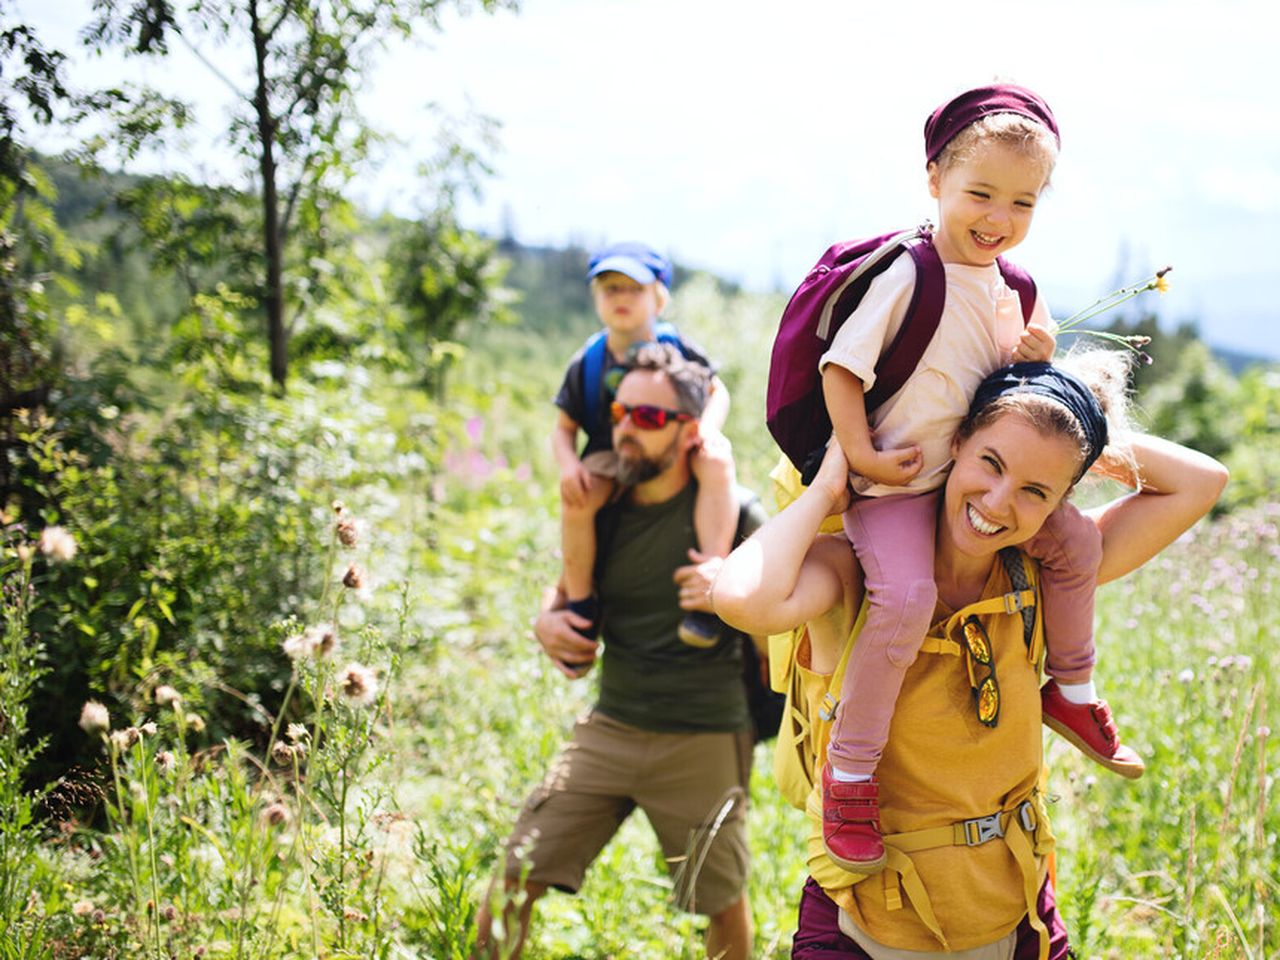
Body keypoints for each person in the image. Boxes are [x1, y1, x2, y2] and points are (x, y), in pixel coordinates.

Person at [713, 355, 1228, 959]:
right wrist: (830, 486)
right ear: (954, 442)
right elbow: (742, 599)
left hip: (1017, 919)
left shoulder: (1044, 575)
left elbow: (1203, 481)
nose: (1000, 501)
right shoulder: (854, 572)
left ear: (1059, 502)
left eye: (1036, 490)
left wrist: (1070, 419)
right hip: (863, 924)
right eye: (991, 462)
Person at [813, 83, 1138, 873]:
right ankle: (850, 772)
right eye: (980, 193)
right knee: (907, 597)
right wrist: (858, 456)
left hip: (966, 478)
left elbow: (1008, 389)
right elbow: (842, 369)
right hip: (895, 485)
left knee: (1074, 547)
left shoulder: (1011, 287)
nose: (999, 217)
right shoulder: (909, 273)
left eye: (1022, 203)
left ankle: (1072, 686)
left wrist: (1031, 353)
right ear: (935, 181)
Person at [476, 343, 768, 960]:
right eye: (620, 411)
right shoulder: (602, 508)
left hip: (705, 734)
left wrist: (734, 597)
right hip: (611, 726)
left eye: (650, 418)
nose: (626, 429)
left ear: (690, 432)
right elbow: (563, 596)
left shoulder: (737, 515)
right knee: (513, 877)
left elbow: (784, 626)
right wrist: (544, 624)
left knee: (719, 901)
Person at [552, 242, 737, 652]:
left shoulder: (678, 348)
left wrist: (706, 428)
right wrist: (568, 466)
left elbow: (716, 390)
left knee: (717, 462)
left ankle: (708, 585)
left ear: (659, 297)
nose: (621, 298)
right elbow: (563, 428)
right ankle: (581, 604)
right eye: (609, 289)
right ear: (595, 297)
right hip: (609, 450)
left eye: (633, 289)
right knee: (578, 501)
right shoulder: (588, 361)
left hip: (674, 441)